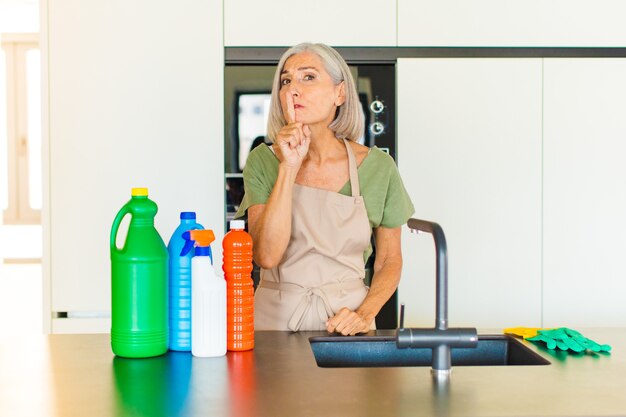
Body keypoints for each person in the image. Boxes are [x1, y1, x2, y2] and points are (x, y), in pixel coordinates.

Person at [234, 43, 414, 335]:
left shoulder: (378, 167)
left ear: (339, 93)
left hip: (347, 324)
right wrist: (289, 166)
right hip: (274, 325)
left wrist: (364, 314)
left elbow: (389, 260)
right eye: (286, 80)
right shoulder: (264, 161)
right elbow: (265, 256)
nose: (293, 89)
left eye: (308, 77)